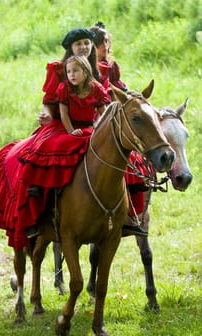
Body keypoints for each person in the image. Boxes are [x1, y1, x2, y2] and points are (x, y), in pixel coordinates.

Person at [0, 52, 109, 249]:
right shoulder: (65, 89)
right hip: (70, 128)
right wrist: (71, 131)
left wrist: (97, 129)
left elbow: (103, 113)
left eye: (76, 71)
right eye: (68, 71)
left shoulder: (96, 89)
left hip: (91, 128)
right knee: (53, 146)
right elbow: (64, 113)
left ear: (86, 71)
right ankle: (41, 187)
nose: (71, 75)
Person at [90, 22, 151, 236]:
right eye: (100, 43)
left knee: (134, 159)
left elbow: (119, 87)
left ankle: (130, 213)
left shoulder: (112, 66)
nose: (105, 46)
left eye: (107, 42)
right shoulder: (85, 67)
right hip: (93, 118)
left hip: (113, 117)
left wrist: (133, 97)